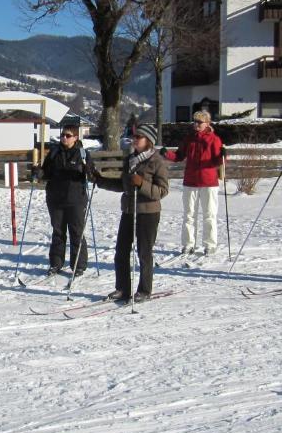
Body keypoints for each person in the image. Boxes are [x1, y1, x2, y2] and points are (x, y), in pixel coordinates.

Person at [95, 123, 169, 302]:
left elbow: (162, 191)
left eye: (139, 138)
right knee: (121, 251)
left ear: (149, 141)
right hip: (129, 209)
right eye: (134, 137)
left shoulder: (156, 161)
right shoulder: (130, 159)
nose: (135, 140)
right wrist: (100, 180)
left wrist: (142, 184)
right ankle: (122, 288)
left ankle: (144, 290)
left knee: (144, 252)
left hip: (148, 212)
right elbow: (123, 184)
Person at [161, 110, 224, 257]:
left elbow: (217, 161)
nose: (196, 124)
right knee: (189, 215)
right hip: (190, 181)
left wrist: (222, 157)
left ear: (207, 124)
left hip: (209, 182)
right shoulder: (189, 138)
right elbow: (179, 155)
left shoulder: (214, 139)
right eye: (194, 121)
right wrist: (167, 154)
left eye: (199, 122)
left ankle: (210, 245)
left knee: (209, 215)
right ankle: (188, 244)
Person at [39, 125, 94, 276]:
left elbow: (91, 172)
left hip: (75, 198)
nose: (64, 138)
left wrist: (87, 171)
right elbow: (46, 172)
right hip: (55, 197)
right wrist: (38, 172)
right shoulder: (54, 152)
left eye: (68, 136)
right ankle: (56, 263)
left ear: (76, 138)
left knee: (76, 231)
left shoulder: (82, 154)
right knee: (58, 231)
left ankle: (78, 265)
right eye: (63, 135)